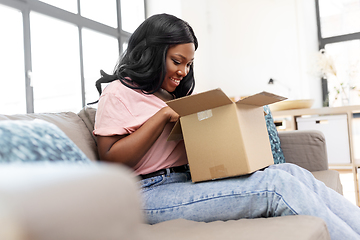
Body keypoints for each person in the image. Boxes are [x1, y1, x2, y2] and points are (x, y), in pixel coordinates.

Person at [93, 13, 360, 240]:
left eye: (188, 64)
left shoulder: (166, 95)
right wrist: (162, 116)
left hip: (185, 179)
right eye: (177, 61)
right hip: (148, 193)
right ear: (152, 53)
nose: (184, 72)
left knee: (289, 171)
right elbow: (110, 159)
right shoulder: (118, 93)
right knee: (276, 185)